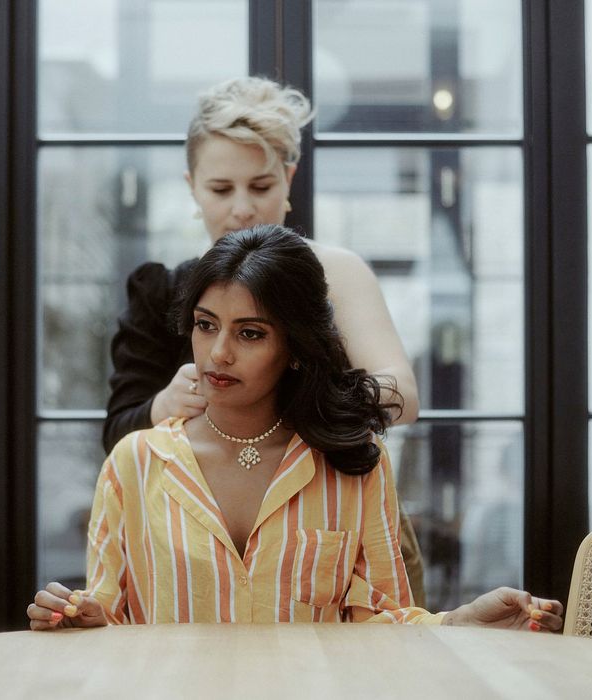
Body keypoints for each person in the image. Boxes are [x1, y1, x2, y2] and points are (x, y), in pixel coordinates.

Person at [28, 226, 563, 631]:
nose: (218, 353)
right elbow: (109, 620)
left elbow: (385, 626)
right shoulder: (134, 462)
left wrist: (461, 622)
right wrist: (75, 619)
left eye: (251, 333)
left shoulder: (355, 462)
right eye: (206, 324)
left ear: (296, 350)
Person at [102, 75, 426, 605]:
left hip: (340, 529)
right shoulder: (161, 290)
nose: (243, 208)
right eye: (221, 189)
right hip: (189, 539)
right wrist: (165, 404)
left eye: (261, 186)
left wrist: (297, 395)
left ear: (289, 178)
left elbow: (402, 397)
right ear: (191, 187)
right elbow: (117, 433)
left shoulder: (337, 273)